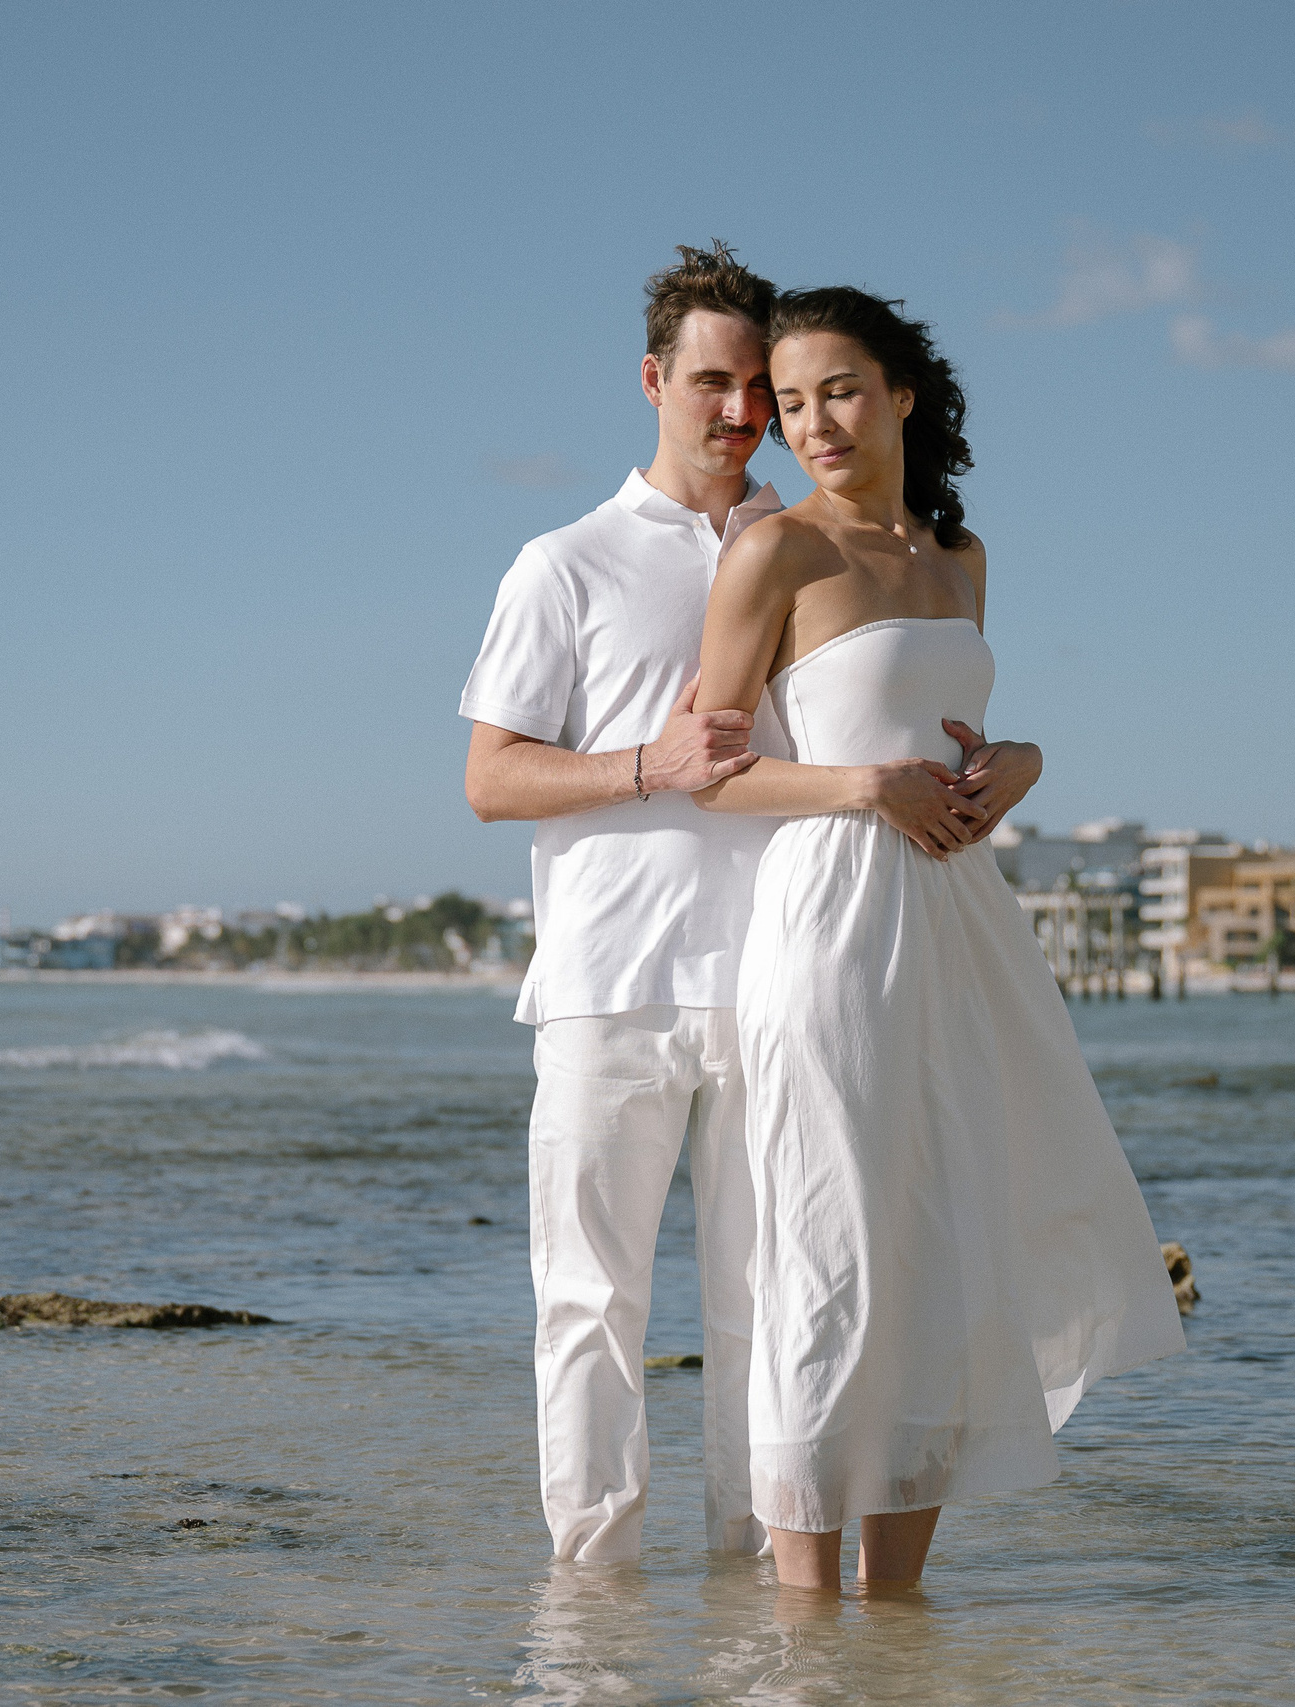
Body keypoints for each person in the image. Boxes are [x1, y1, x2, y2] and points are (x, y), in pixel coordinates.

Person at [458, 246, 983, 1563]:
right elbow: (488, 779)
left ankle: (756, 1606)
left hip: (781, 978)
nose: (743, 413)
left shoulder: (804, 537)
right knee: (590, 1302)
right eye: (713, 383)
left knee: (779, 1299)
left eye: (764, 387)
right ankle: (593, 1614)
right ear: (653, 381)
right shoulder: (563, 562)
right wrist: (648, 765)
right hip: (610, 980)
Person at [690, 285, 1188, 1590]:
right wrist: (861, 785)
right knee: (828, 1243)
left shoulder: (960, 559)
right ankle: (805, 1625)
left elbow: (957, 740)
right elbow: (710, 769)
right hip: (831, 919)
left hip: (957, 918)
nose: (813, 424)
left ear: (906, 391)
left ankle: (897, 1614)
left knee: (941, 1237)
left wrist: (1021, 762)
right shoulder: (775, 555)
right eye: (789, 404)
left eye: (839, 390)